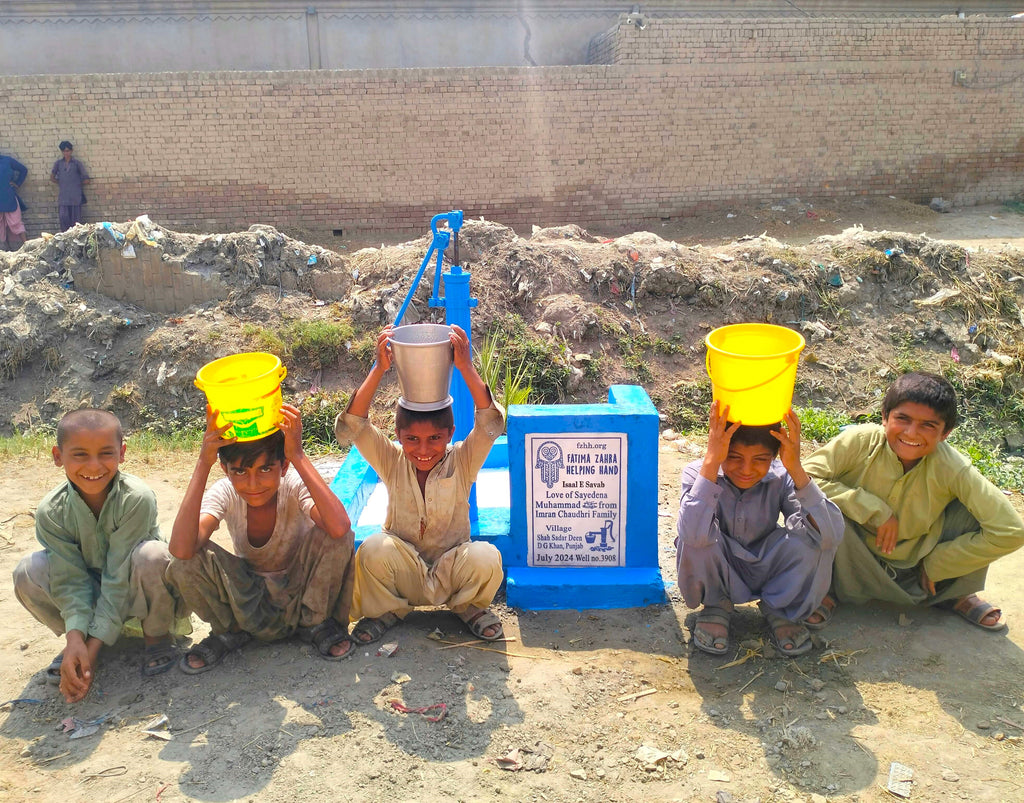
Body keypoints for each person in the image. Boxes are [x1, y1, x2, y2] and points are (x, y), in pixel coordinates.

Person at [804, 371, 1024, 631]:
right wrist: (873, 509)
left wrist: (939, 563)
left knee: (972, 512)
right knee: (816, 510)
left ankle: (954, 591)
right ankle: (826, 589)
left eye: (928, 425)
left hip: (917, 561)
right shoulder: (860, 441)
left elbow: (1010, 530)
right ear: (885, 418)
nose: (911, 432)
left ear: (946, 433)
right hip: (851, 554)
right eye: (902, 419)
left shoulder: (952, 466)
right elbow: (804, 477)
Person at [333, 323, 506, 645]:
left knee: (486, 557)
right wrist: (379, 368)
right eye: (412, 439)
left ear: (450, 434)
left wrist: (465, 366)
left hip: (451, 568)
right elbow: (353, 425)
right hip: (404, 571)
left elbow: (490, 422)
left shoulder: (463, 460)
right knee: (372, 549)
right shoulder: (390, 459)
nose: (423, 450)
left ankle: (467, 607)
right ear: (397, 436)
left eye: (434, 439)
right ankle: (387, 610)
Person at [168, 403, 355, 673]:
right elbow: (181, 550)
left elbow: (339, 527)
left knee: (338, 535)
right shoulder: (225, 492)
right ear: (225, 469)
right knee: (184, 562)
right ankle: (228, 632)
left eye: (265, 469)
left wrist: (299, 456)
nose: (253, 484)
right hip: (247, 596)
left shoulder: (292, 483)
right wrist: (202, 463)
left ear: (283, 466)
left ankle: (315, 624)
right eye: (240, 472)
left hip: (301, 591)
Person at [12, 409, 184, 703]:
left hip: (135, 589)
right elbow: (69, 580)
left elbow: (118, 577)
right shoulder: (51, 511)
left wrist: (88, 657)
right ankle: (80, 641)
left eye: (106, 453)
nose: (94, 466)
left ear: (122, 453)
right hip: (91, 594)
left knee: (154, 556)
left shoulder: (136, 498)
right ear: (57, 456)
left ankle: (155, 639)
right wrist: (75, 636)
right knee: (28, 571)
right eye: (79, 455)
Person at [676, 402, 844, 656]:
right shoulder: (697, 472)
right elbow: (691, 534)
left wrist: (796, 469)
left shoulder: (784, 476)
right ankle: (716, 605)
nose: (746, 470)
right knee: (694, 535)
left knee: (815, 538)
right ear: (720, 452)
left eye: (760, 460)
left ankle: (781, 607)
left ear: (774, 457)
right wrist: (712, 462)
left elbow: (830, 536)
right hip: (720, 566)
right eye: (733, 457)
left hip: (766, 565)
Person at [50, 141, 90, 232]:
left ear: (71, 151)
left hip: (75, 198)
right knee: (63, 220)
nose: (66, 153)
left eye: (68, 151)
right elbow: (52, 177)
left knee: (76, 224)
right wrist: (62, 183)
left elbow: (87, 180)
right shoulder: (58, 164)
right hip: (63, 199)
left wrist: (76, 183)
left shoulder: (77, 164)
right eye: (64, 151)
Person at [0, 152, 28, 251]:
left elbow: (23, 170)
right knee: (2, 225)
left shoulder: (7, 160)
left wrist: (17, 183)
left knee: (16, 222)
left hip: (9, 197)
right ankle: (7, 250)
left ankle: (27, 246)